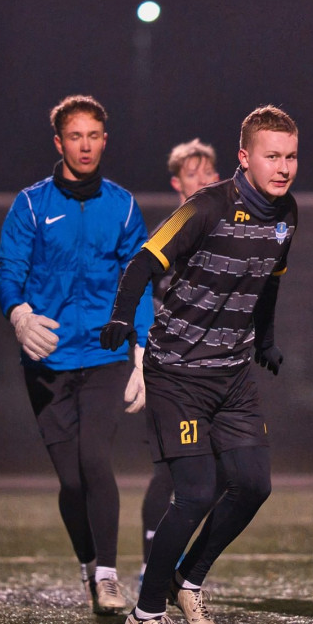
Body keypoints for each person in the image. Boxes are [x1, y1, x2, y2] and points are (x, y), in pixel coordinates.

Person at [101, 105, 299, 624]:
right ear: (244, 157)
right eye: (272, 156)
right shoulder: (207, 207)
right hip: (179, 374)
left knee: (254, 485)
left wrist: (265, 339)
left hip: (232, 377)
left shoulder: (288, 215)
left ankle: (187, 582)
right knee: (195, 493)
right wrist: (121, 315)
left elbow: (270, 283)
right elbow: (141, 261)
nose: (283, 167)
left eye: (290, 156)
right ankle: (145, 614)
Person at [0, 94, 154, 615]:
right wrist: (18, 314)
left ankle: (108, 574)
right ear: (59, 142)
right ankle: (89, 564)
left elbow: (140, 280)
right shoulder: (31, 204)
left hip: (106, 353)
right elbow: (8, 272)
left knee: (94, 459)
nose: (84, 145)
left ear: (104, 141)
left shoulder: (124, 205)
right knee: (70, 480)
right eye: (74, 136)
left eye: (93, 136)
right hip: (48, 360)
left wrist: (140, 350)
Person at [140, 139, 221, 582]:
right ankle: (152, 564)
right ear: (176, 183)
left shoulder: (225, 228)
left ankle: (180, 564)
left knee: (222, 472)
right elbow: (141, 295)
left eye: (209, 172)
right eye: (193, 174)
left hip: (216, 367)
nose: (203, 180)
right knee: (172, 469)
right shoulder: (168, 232)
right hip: (173, 368)